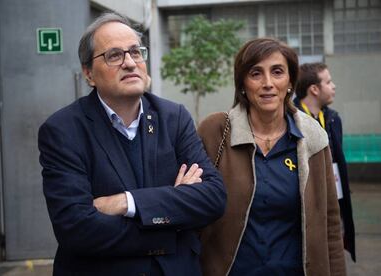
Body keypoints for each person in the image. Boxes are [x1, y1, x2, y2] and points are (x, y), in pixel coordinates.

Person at [38, 12, 226, 275]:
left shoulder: (174, 117)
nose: (130, 63)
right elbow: (76, 228)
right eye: (114, 55)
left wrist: (126, 203)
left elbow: (213, 198)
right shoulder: (63, 130)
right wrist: (172, 220)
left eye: (136, 52)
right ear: (89, 74)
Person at [198, 38, 346, 276]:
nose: (268, 83)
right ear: (243, 84)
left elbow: (330, 222)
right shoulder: (215, 131)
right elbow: (193, 211)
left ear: (290, 82)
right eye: (256, 73)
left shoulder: (314, 139)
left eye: (277, 72)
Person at [294, 62, 355, 262]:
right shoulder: (289, 118)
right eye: (328, 82)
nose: (334, 86)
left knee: (332, 252)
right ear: (314, 89)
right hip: (304, 203)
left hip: (333, 198)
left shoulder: (333, 119)